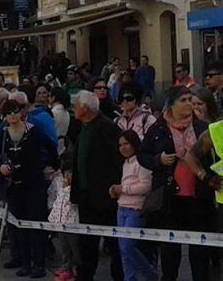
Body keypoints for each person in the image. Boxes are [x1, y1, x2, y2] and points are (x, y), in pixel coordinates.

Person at [138, 86, 212, 281]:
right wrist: (157, 160)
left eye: (190, 99)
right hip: (169, 198)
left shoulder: (202, 128)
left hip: (198, 197)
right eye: (183, 100)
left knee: (199, 252)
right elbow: (142, 154)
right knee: (170, 252)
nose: (189, 103)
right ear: (171, 105)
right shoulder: (159, 128)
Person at [0, 100, 58, 278]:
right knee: (20, 226)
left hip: (34, 185)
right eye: (8, 113)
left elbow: (51, 148)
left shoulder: (33, 131)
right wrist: (0, 167)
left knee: (36, 225)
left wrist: (47, 167)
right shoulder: (3, 134)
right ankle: (25, 262)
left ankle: (39, 264)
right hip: (14, 186)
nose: (12, 115)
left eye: (15, 111)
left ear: (21, 112)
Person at [70, 90, 124, 281]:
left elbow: (118, 161)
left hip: (105, 197)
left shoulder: (107, 128)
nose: (73, 108)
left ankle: (119, 275)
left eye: (76, 105)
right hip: (86, 196)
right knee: (86, 240)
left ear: (85, 108)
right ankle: (85, 275)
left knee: (113, 240)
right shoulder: (82, 127)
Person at [111, 130, 157, 281]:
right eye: (120, 145)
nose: (123, 147)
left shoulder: (141, 162)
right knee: (123, 250)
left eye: (126, 144)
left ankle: (149, 274)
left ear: (134, 144)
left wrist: (123, 189)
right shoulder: (126, 163)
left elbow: (145, 186)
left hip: (135, 210)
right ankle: (129, 278)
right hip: (121, 208)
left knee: (127, 247)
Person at [48, 160, 80, 281]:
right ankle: (66, 267)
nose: (67, 177)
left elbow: (72, 203)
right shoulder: (61, 187)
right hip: (60, 223)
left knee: (75, 247)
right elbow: (57, 203)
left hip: (72, 223)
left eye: (70, 174)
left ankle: (76, 267)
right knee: (64, 247)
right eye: (65, 174)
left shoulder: (74, 190)